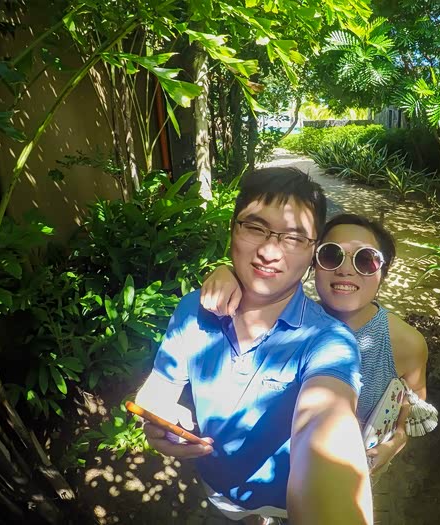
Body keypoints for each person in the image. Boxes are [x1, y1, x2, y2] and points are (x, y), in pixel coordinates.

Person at [135, 168, 373, 525]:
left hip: (286, 505)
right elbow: (158, 388)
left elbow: (329, 421)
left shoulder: (328, 341)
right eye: (255, 227)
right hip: (215, 491)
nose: (269, 252)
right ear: (233, 229)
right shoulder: (193, 310)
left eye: (294, 237)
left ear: (312, 252)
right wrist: (156, 415)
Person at [200, 213, 429, 476]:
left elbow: (410, 406)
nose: (345, 270)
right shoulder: (286, 316)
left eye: (365, 260)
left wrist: (394, 443)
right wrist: (227, 273)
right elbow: (256, 288)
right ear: (313, 264)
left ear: (383, 273)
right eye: (331, 255)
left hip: (345, 473)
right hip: (269, 469)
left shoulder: (406, 343)